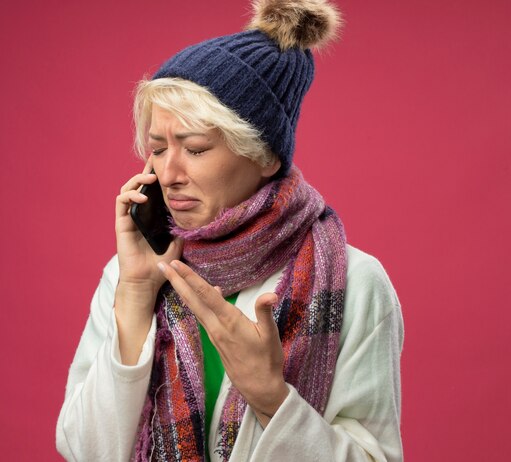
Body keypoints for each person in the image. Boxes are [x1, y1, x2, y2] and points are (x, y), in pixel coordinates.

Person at [56, 0, 404, 460]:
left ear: (264, 156)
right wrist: (137, 291)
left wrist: (269, 397)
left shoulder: (354, 283)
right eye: (158, 149)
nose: (169, 173)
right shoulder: (131, 274)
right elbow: (84, 450)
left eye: (195, 149)